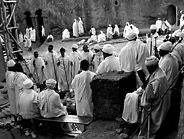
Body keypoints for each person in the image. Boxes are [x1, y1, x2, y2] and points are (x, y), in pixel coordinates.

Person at [138, 56, 170, 139]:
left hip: (158, 105)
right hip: (163, 101)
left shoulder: (157, 80)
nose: (147, 69)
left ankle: (146, 131)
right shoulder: (160, 72)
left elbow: (149, 98)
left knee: (142, 104)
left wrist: (144, 82)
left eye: (148, 67)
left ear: (150, 67)